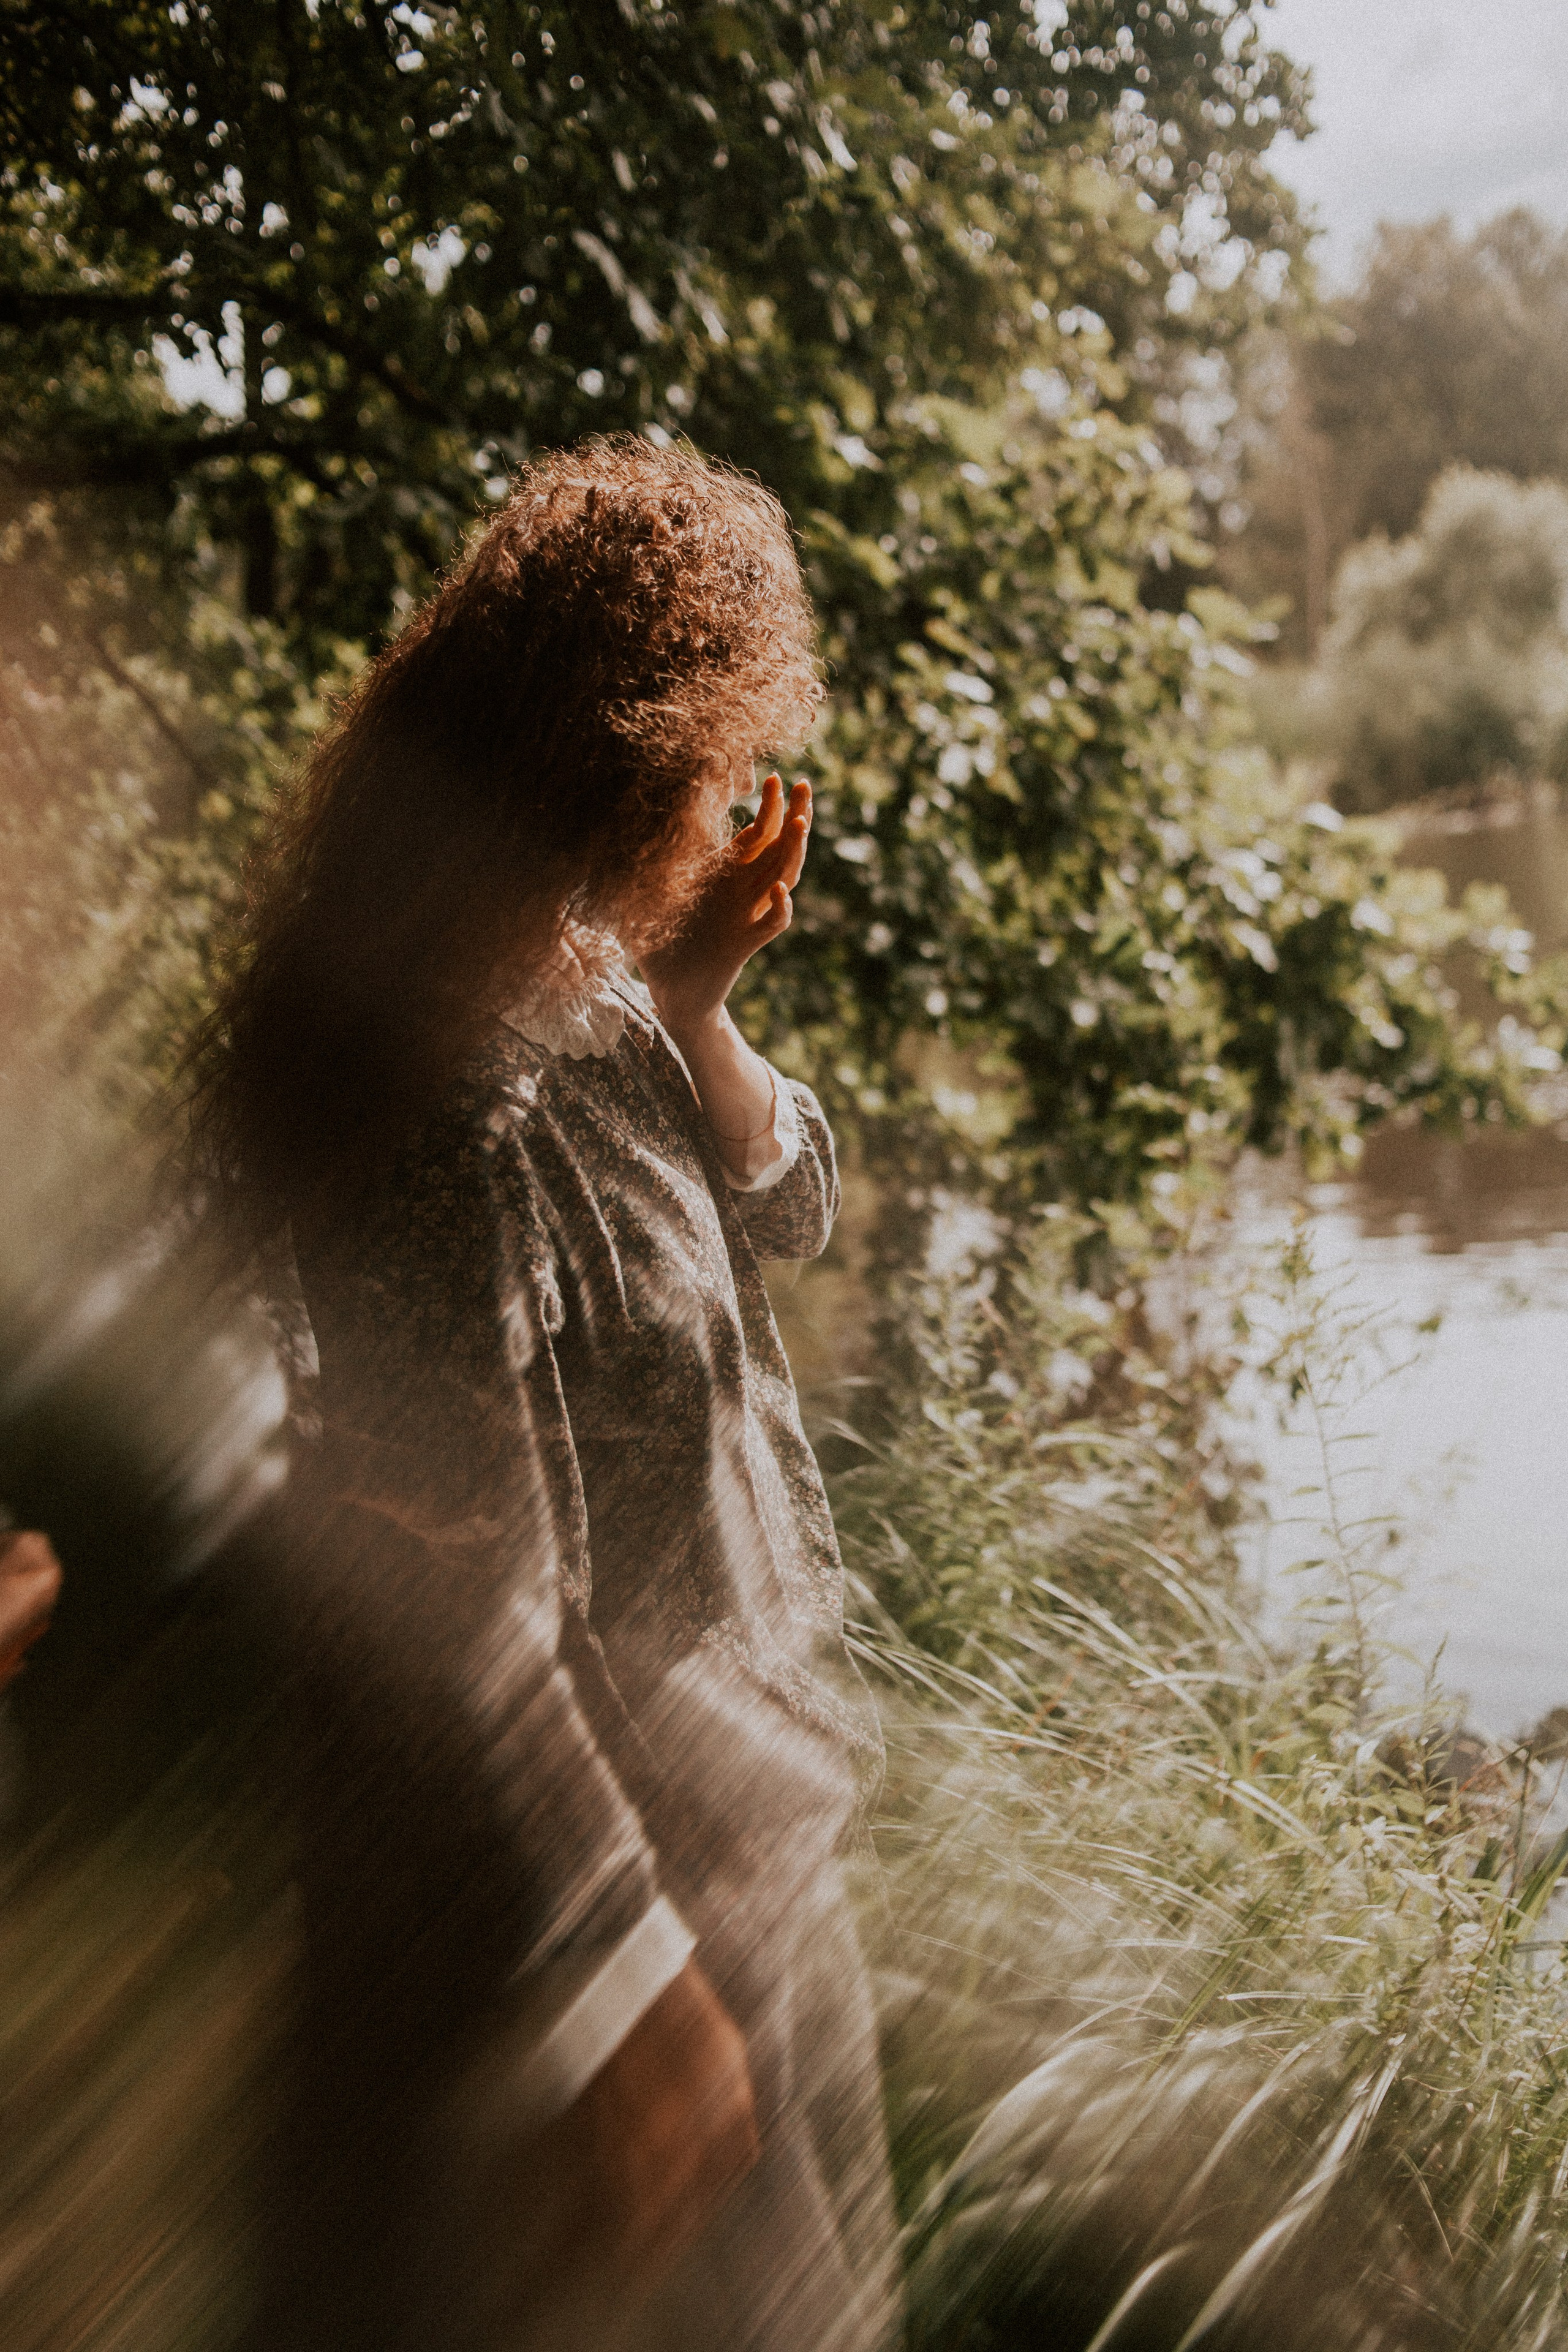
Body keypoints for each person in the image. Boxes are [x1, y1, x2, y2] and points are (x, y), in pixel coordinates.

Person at [190, 438, 898, 2352]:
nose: (731, 807)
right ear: (624, 758)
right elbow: (466, 1589)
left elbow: (799, 1212)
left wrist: (707, 1006)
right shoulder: (449, 1099)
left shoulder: (598, 992)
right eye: (714, 767)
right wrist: (635, 1977)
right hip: (587, 1949)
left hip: (742, 1875)